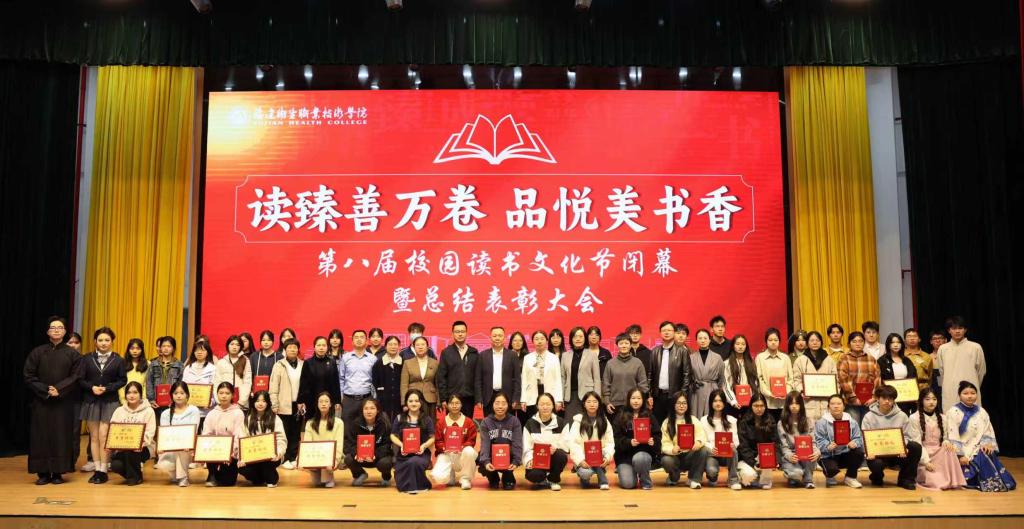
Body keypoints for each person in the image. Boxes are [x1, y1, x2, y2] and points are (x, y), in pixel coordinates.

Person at [946, 381, 1016, 492]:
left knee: (987, 452)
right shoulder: (953, 411)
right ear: (959, 395)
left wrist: (987, 444)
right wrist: (960, 455)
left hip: (977, 446)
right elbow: (952, 434)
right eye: (966, 393)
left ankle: (992, 483)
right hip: (961, 448)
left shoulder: (982, 411)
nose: (970, 396)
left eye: (973, 393)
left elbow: (987, 430)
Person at [79, 327, 127, 484]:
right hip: (91, 400)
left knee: (104, 436)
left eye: (107, 340)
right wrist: (91, 387)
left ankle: (104, 469)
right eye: (100, 340)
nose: (103, 343)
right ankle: (97, 468)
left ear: (112, 342)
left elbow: (122, 380)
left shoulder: (118, 360)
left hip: (109, 401)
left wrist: (107, 388)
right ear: (95, 342)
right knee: (94, 437)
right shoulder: (86, 358)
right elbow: (80, 379)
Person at [860, 385, 922, 490]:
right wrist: (868, 452)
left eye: (890, 399)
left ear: (894, 400)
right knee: (877, 465)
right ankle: (876, 476)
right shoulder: (868, 416)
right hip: (877, 454)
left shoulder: (902, 416)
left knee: (915, 447)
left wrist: (903, 447)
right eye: (884, 398)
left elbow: (907, 436)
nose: (887, 401)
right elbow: (864, 438)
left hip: (896, 452)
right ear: (878, 399)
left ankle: (906, 479)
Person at [907, 388, 966, 490]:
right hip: (923, 454)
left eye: (934, 399)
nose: (931, 402)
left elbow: (945, 437)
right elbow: (917, 443)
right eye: (927, 399)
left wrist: (946, 442)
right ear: (921, 401)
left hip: (939, 452)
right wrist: (926, 462)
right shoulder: (914, 418)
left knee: (950, 449)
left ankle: (953, 480)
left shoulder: (943, 417)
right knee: (934, 481)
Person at [106, 381, 156, 486]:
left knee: (131, 451)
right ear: (125, 395)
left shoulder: (149, 411)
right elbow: (113, 431)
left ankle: (134, 478)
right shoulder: (119, 410)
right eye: (129, 393)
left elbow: (150, 433)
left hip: (144, 447)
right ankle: (136, 475)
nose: (132, 395)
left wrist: (139, 443)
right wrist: (112, 444)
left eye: (135, 392)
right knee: (115, 465)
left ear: (140, 394)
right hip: (122, 447)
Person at [566, 391, 615, 490]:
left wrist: (607, 457)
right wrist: (580, 461)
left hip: (599, 457)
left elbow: (610, 442)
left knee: (597, 457)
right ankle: (587, 476)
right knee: (585, 474)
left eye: (595, 401)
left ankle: (602, 480)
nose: (592, 404)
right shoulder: (578, 421)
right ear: (584, 404)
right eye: (588, 402)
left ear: (599, 404)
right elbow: (573, 443)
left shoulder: (604, 421)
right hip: (583, 458)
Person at [936, 316, 986, 411]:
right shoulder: (943, 349)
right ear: (949, 330)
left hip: (970, 391)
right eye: (954, 328)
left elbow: (981, 371)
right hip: (950, 391)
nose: (957, 331)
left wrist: (972, 386)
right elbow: (941, 372)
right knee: (951, 416)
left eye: (960, 328)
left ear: (965, 330)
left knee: (973, 418)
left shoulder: (976, 347)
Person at [236, 391, 286, 487]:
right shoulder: (248, 419)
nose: (260, 403)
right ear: (253, 402)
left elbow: (281, 439)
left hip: (270, 457)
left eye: (263, 401)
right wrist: (241, 457)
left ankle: (269, 477)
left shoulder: (275, 419)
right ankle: (259, 478)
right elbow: (242, 439)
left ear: (268, 403)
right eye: (257, 401)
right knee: (242, 468)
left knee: (270, 475)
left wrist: (279, 452)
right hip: (253, 456)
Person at [659, 392, 709, 488]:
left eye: (684, 403)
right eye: (678, 403)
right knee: (666, 460)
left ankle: (694, 479)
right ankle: (674, 477)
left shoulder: (694, 420)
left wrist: (698, 442)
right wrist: (672, 449)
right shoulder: (667, 422)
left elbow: (701, 435)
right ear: (673, 405)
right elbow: (664, 443)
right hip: (675, 456)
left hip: (690, 454)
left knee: (703, 450)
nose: (681, 406)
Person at [156, 381, 201, 486]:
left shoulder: (194, 410)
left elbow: (193, 431)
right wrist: (162, 446)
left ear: (187, 395)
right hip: (171, 446)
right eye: (176, 393)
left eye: (182, 393)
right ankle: (178, 475)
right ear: (171, 395)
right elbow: (164, 434)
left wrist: (186, 443)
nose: (179, 396)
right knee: (164, 464)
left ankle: (183, 478)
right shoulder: (166, 413)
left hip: (188, 448)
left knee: (182, 449)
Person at [814, 394, 865, 488]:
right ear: (828, 407)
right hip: (829, 455)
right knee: (831, 470)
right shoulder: (822, 422)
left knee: (859, 452)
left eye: (839, 403)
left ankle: (850, 477)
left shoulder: (851, 421)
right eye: (832, 404)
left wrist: (854, 443)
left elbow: (858, 438)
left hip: (845, 453)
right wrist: (828, 446)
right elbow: (818, 440)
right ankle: (830, 476)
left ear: (844, 406)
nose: (836, 406)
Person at [647, 321, 692, 426]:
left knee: (674, 424)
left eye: (669, 330)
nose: (666, 333)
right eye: (664, 330)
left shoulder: (682, 351)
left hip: (675, 396)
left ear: (674, 333)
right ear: (660, 333)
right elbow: (650, 375)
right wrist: (649, 395)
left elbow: (687, 375)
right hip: (658, 396)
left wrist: (682, 395)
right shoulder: (655, 351)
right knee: (658, 424)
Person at [390, 389, 435, 494]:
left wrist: (424, 446)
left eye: (416, 401)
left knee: (414, 462)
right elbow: (393, 435)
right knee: (407, 464)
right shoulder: (399, 418)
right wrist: (401, 445)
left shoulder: (427, 419)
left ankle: (418, 485)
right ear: (406, 402)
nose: (413, 404)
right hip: (404, 454)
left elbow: (432, 437)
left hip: (421, 453)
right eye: (410, 401)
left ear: (421, 402)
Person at [612, 388, 658, 489]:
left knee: (640, 458)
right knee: (628, 484)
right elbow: (615, 438)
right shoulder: (620, 416)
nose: (636, 401)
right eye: (633, 398)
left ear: (643, 400)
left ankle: (645, 480)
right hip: (624, 456)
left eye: (638, 398)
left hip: (643, 453)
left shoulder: (649, 415)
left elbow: (657, 435)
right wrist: (629, 442)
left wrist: (653, 441)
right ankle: (630, 472)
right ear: (628, 399)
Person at [202, 382, 245, 486]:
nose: (224, 396)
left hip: (231, 454)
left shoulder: (238, 413)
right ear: (217, 394)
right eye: (221, 393)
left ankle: (219, 474)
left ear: (233, 395)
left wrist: (229, 453)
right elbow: (206, 434)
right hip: (215, 451)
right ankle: (212, 474)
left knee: (228, 482)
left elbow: (238, 436)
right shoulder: (212, 413)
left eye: (227, 393)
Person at [523, 393, 569, 491]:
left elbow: (566, 443)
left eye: (548, 404)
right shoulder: (530, 423)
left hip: (554, 458)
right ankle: (543, 479)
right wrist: (529, 460)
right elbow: (526, 446)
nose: (545, 407)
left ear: (553, 406)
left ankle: (553, 479)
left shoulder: (561, 422)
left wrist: (555, 448)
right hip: (537, 460)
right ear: (537, 406)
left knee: (561, 455)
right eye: (542, 404)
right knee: (534, 475)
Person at [344, 398, 394, 487]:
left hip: (378, 458)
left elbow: (387, 445)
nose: (369, 411)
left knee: (386, 462)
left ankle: (386, 477)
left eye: (372, 408)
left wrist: (375, 455)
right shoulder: (355, 424)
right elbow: (349, 443)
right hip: (360, 458)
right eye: (366, 408)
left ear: (377, 410)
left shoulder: (384, 424)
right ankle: (360, 474)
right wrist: (356, 454)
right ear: (362, 410)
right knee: (348, 459)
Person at [477, 391, 522, 490]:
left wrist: (516, 461)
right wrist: (486, 462)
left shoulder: (514, 421)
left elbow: (517, 443)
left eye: (503, 403)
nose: (500, 406)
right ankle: (493, 478)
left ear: (508, 405)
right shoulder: (486, 422)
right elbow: (485, 444)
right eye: (497, 403)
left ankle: (508, 477)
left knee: (508, 482)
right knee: (480, 459)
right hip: (492, 457)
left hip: (509, 457)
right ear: (492, 404)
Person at [431, 394, 478, 489]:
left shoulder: (468, 422)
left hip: (462, 455)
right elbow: (438, 441)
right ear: (447, 405)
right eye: (451, 403)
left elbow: (471, 441)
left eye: (457, 403)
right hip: (446, 454)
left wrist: (461, 447)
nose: (454, 406)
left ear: (461, 405)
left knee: (469, 451)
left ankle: (465, 479)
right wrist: (445, 448)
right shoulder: (441, 422)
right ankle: (450, 474)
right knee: (438, 477)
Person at [270, 338, 303, 470]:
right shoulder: (279, 365)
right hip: (283, 404)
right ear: (285, 349)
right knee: (285, 432)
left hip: (298, 405)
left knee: (296, 432)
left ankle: (293, 457)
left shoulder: (303, 364)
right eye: (290, 347)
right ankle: (284, 458)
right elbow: (273, 387)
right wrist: (274, 404)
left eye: (295, 347)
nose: (292, 350)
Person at [777, 391, 820, 488]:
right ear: (787, 405)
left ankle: (808, 480)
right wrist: (790, 456)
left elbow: (813, 442)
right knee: (797, 473)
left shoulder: (809, 421)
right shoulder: (781, 423)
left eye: (797, 403)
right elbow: (784, 447)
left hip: (805, 454)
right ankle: (793, 475)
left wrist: (817, 452)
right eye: (791, 403)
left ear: (801, 405)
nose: (794, 406)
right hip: (792, 456)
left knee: (812, 454)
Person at [791, 331, 836, 424]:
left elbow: (836, 381)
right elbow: (796, 380)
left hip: (826, 403)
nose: (815, 342)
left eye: (817, 340)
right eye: (812, 340)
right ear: (807, 343)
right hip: (808, 402)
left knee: (826, 427)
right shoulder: (800, 360)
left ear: (821, 342)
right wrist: (802, 391)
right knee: (809, 428)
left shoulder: (829, 360)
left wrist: (833, 394)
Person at [436, 320, 480, 415]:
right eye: (457, 332)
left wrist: (478, 398)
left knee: (467, 423)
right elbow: (441, 377)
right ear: (452, 334)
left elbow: (478, 377)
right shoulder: (446, 352)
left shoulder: (474, 352)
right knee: (452, 423)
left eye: (462, 331)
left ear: (466, 333)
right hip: (452, 398)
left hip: (469, 398)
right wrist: (443, 398)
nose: (460, 334)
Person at [700, 389, 741, 490]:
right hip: (712, 453)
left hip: (727, 454)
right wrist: (711, 448)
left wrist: (732, 445)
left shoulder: (731, 420)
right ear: (711, 403)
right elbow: (703, 440)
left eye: (720, 401)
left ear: (724, 403)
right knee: (712, 472)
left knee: (733, 450)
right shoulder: (704, 420)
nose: (718, 403)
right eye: (715, 401)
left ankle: (733, 480)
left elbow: (736, 440)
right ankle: (712, 477)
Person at [836, 331, 880, 424]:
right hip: (851, 402)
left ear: (864, 343)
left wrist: (874, 397)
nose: (858, 344)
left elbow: (877, 378)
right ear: (849, 344)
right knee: (854, 427)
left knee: (868, 427)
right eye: (854, 341)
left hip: (869, 401)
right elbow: (843, 380)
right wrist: (853, 398)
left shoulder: (871, 359)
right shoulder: (844, 358)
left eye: (860, 341)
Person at [303, 392, 345, 488]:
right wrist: (303, 459)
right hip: (315, 456)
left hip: (331, 458)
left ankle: (328, 476)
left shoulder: (339, 423)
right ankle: (318, 473)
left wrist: (335, 461)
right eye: (321, 401)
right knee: (316, 483)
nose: (323, 404)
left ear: (330, 404)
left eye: (326, 401)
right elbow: (307, 444)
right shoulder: (310, 423)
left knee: (327, 482)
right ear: (317, 404)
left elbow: (339, 445)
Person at [737, 394, 778, 489]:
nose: (759, 409)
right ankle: (743, 475)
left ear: (765, 406)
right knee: (749, 476)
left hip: (764, 456)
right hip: (747, 458)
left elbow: (775, 442)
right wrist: (753, 462)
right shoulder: (744, 422)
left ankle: (762, 478)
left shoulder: (771, 420)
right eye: (756, 406)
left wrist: (775, 460)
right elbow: (743, 446)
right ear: (751, 406)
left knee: (765, 483)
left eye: (762, 406)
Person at [477, 326, 521, 417]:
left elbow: (517, 379)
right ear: (490, 338)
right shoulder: (482, 355)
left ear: (504, 338)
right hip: (488, 398)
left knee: (508, 424)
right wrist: (479, 399)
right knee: (490, 424)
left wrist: (516, 398)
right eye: (494, 336)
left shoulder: (512, 355)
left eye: (500, 336)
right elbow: (478, 379)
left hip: (508, 398)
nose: (497, 338)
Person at [339, 329, 379, 427]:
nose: (359, 339)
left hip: (367, 398)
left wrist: (374, 398)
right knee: (347, 427)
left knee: (366, 427)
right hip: (349, 399)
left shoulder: (373, 359)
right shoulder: (345, 357)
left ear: (366, 341)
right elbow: (341, 378)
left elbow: (375, 380)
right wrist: (341, 397)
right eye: (356, 337)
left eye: (362, 337)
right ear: (352, 341)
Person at [602, 334, 649, 415]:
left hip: (633, 404)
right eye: (621, 343)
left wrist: (643, 401)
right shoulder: (610, 363)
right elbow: (606, 384)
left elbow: (643, 385)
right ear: (617, 345)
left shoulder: (637, 363)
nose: (624, 346)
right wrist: (607, 402)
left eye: (626, 343)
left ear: (630, 345)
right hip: (614, 404)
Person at [560, 326, 601, 420]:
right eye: (575, 336)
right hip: (570, 396)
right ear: (571, 339)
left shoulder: (592, 354)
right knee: (569, 423)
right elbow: (563, 378)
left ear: (585, 338)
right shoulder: (565, 356)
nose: (578, 339)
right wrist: (561, 397)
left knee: (586, 423)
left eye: (581, 336)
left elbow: (597, 378)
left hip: (588, 395)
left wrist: (596, 398)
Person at [520, 330, 563, 418]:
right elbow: (524, 379)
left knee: (549, 420)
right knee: (533, 420)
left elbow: (558, 380)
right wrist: (523, 399)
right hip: (532, 394)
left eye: (542, 339)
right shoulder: (527, 358)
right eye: (536, 339)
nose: (539, 341)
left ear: (546, 341)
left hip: (550, 392)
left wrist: (559, 399)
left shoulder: (554, 358)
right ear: (532, 341)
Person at [297, 336, 341, 421]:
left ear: (327, 347)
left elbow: (336, 383)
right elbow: (303, 383)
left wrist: (337, 401)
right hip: (311, 401)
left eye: (324, 345)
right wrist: (300, 400)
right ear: (314, 347)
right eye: (319, 345)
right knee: (312, 424)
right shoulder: (308, 363)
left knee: (328, 424)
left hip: (328, 401)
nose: (321, 348)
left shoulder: (332, 362)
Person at [755, 327, 792, 422]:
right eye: (770, 340)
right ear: (766, 341)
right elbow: (759, 379)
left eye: (776, 340)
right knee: (768, 427)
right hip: (767, 401)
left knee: (783, 427)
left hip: (783, 402)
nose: (773, 342)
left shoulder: (785, 358)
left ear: (779, 341)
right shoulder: (760, 358)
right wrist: (769, 393)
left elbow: (790, 379)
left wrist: (786, 392)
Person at [877, 333, 919, 415]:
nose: (896, 345)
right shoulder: (882, 361)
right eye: (893, 342)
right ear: (888, 345)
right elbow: (879, 380)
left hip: (906, 397)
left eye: (898, 342)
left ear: (902, 344)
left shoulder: (907, 360)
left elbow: (914, 378)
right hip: (889, 398)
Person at [690, 329, 726, 419]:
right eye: (700, 338)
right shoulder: (691, 357)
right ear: (696, 340)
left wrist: (717, 390)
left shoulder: (717, 357)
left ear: (710, 340)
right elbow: (689, 376)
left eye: (705, 338)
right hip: (696, 391)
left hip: (712, 390)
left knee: (712, 416)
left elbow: (721, 378)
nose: (703, 340)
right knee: (696, 417)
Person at [146, 336, 183, 423]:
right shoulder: (153, 364)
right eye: (163, 346)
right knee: (157, 427)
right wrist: (151, 399)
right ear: (160, 348)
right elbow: (149, 382)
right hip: (156, 404)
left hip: (172, 403)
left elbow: (181, 384)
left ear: (173, 348)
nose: (166, 348)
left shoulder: (179, 365)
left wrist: (176, 399)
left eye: (169, 346)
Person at [400, 336, 439, 419]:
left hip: (430, 399)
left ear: (427, 347)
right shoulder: (407, 363)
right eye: (417, 345)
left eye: (423, 344)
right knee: (414, 423)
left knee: (430, 423)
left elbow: (438, 384)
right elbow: (404, 385)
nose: (420, 347)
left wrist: (439, 402)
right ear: (414, 347)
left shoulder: (435, 363)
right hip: (413, 399)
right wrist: (404, 403)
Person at [65, 330, 88, 471]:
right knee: (60, 431)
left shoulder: (84, 360)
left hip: (77, 400)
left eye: (76, 342)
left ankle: (72, 461)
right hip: (60, 400)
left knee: (74, 431)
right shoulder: (58, 358)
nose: (73, 345)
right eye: (70, 342)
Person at [723, 334, 759, 418]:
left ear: (746, 346)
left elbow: (755, 383)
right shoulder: (726, 363)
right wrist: (733, 401)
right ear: (733, 346)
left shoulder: (751, 363)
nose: (740, 346)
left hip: (749, 404)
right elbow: (725, 385)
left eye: (743, 344)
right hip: (733, 404)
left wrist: (752, 399)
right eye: (737, 344)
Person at [182, 341, 217, 425]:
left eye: (203, 350)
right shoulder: (188, 368)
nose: (199, 352)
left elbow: (215, 389)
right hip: (189, 409)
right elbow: (183, 388)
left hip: (206, 411)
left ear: (208, 352)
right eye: (197, 350)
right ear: (193, 352)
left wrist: (211, 402)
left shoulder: (213, 369)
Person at [215, 335, 252, 410]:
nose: (234, 347)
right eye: (232, 344)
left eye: (237, 345)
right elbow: (217, 382)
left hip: (240, 403)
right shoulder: (221, 362)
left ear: (241, 347)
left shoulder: (245, 361)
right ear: (227, 346)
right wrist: (218, 401)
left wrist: (241, 402)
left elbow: (247, 382)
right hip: (223, 402)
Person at [372, 336, 404, 422]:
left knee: (399, 423)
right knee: (384, 423)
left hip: (399, 401)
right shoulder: (378, 363)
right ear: (385, 346)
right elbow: (375, 382)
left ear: (399, 346)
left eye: (395, 344)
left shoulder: (404, 363)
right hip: (383, 401)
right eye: (390, 344)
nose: (393, 347)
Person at [903, 328, 934, 395]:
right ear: (904, 340)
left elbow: (930, 376)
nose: (912, 338)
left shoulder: (927, 357)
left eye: (914, 336)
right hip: (905, 388)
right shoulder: (900, 356)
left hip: (923, 389)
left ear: (919, 339)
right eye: (909, 336)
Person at [250, 330, 282, 395]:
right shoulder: (254, 356)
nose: (266, 342)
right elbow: (250, 375)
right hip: (257, 392)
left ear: (273, 341)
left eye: (269, 340)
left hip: (274, 392)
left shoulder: (279, 357)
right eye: (263, 340)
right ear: (260, 341)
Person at [120, 338, 148, 404]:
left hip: (141, 400)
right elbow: (120, 383)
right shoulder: (122, 363)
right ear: (128, 350)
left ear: (142, 350)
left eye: (138, 348)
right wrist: (123, 400)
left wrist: (143, 399)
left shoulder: (148, 364)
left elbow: (146, 384)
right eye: (132, 348)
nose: (135, 351)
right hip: (124, 400)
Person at [928, 329, 947, 405]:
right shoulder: (928, 357)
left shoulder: (952, 355)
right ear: (931, 342)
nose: (938, 341)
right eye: (935, 339)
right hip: (934, 387)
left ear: (945, 340)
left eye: (940, 338)